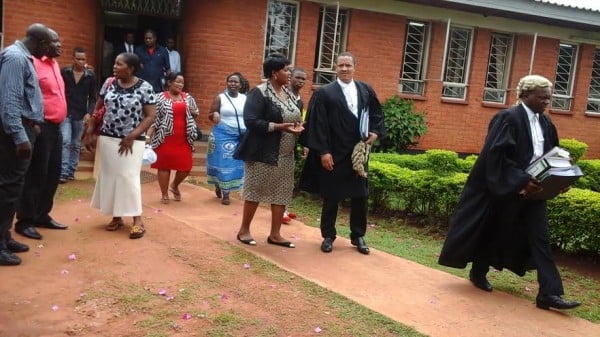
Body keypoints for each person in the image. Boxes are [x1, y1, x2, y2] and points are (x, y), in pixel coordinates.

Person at [438, 75, 581, 311]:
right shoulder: (508, 118)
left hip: (536, 191)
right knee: (493, 231)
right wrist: (522, 180)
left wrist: (562, 176)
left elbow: (552, 155)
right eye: (542, 97)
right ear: (525, 95)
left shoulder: (545, 123)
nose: (547, 101)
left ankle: (549, 293)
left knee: (541, 239)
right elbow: (495, 157)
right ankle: (479, 271)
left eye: (549, 97)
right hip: (507, 189)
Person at [300, 51, 385, 255]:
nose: (344, 69)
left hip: (358, 152)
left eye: (348, 65)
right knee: (331, 196)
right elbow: (317, 124)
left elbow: (376, 114)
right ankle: (328, 236)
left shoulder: (365, 90)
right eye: (341, 66)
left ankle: (358, 236)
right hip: (334, 152)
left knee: (360, 196)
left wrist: (374, 132)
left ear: (355, 67)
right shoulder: (324, 93)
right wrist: (323, 152)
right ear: (335, 68)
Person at [83, 52, 156, 239]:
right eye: (115, 63)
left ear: (131, 68)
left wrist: (132, 135)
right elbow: (98, 107)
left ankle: (137, 220)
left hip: (131, 141)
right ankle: (116, 217)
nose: (114, 66)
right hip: (108, 138)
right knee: (110, 177)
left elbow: (150, 116)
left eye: (119, 64)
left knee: (129, 178)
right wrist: (91, 129)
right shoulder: (109, 83)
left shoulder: (145, 87)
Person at [234, 54, 303, 248]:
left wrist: (299, 127)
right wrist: (279, 127)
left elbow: (294, 117)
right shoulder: (259, 92)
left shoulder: (288, 94)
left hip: (286, 154)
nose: (289, 73)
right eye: (286, 70)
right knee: (255, 190)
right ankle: (244, 230)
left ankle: (275, 234)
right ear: (274, 73)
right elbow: (251, 121)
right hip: (263, 152)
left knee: (281, 193)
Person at [0, 23, 50, 265]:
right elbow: (9, 101)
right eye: (49, 43)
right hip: (13, 132)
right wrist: (19, 135)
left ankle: (4, 236)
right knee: (7, 188)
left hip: (25, 126)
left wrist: (33, 123)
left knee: (13, 187)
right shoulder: (15, 58)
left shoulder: (23, 57)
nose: (51, 48)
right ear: (40, 42)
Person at [15, 28, 68, 241]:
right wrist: (33, 123)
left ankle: (42, 214)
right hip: (40, 126)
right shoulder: (32, 63)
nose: (59, 45)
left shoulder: (54, 64)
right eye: (55, 42)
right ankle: (25, 220)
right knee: (36, 174)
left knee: (53, 173)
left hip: (57, 127)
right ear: (44, 43)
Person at [147, 72, 199, 203]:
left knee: (186, 167)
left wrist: (193, 112)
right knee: (164, 166)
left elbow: (196, 113)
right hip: (165, 137)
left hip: (184, 137)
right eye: (177, 81)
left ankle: (174, 185)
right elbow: (153, 118)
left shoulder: (187, 97)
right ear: (169, 82)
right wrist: (148, 135)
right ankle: (164, 194)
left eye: (182, 82)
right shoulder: (160, 97)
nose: (180, 84)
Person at [206, 72, 248, 205]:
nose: (232, 84)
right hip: (223, 134)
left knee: (237, 162)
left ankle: (223, 186)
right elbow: (210, 115)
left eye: (235, 82)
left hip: (241, 135)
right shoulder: (220, 98)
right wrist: (215, 114)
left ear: (240, 85)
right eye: (230, 81)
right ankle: (226, 193)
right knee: (224, 162)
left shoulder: (244, 98)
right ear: (227, 83)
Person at [59, 47, 97, 183]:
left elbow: (93, 97)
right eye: (78, 59)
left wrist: (89, 113)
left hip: (80, 114)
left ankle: (70, 171)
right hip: (65, 112)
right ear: (73, 59)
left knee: (76, 143)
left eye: (83, 59)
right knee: (65, 141)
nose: (81, 61)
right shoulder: (65, 72)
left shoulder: (90, 76)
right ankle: (62, 172)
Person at [282, 67, 307, 224]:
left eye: (304, 79)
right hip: (280, 141)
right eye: (298, 77)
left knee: (287, 177)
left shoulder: (300, 100)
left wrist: (305, 143)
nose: (301, 81)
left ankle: (283, 208)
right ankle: (280, 210)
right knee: (280, 177)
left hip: (292, 142)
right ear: (290, 78)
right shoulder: (283, 96)